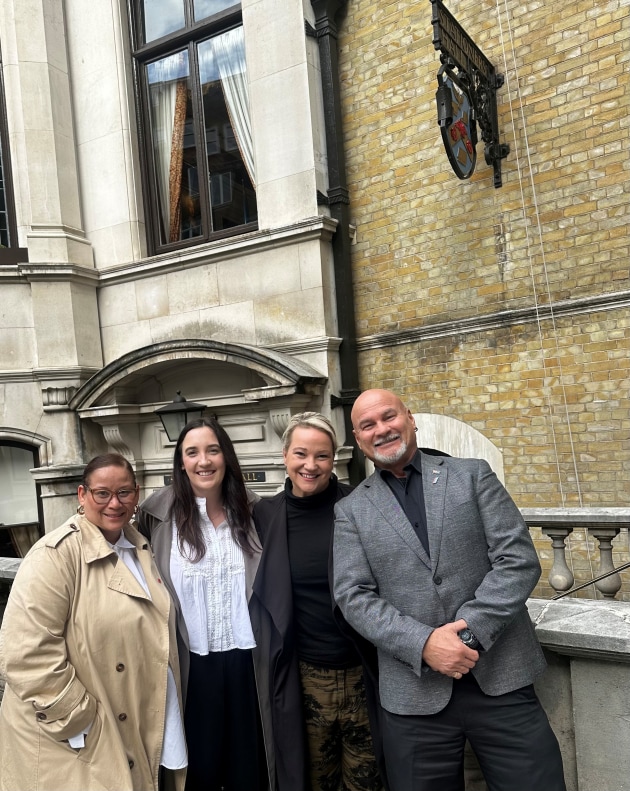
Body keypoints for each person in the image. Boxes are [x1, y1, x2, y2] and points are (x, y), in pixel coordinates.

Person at [333, 389, 567, 791]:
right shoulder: (351, 510)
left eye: (389, 417)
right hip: (413, 694)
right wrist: (424, 644)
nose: (382, 430)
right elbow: (353, 596)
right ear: (358, 440)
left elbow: (518, 560)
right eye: (367, 425)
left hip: (500, 679)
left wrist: (466, 635)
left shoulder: (472, 475)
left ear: (410, 418)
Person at [0, 453, 187, 791]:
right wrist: (80, 720)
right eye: (103, 493)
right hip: (78, 736)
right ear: (82, 495)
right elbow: (25, 654)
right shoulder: (54, 556)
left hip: (134, 715)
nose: (114, 503)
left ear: (137, 493)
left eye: (124, 492)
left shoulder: (140, 547)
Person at [250, 412, 385, 791]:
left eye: (322, 456)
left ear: (335, 459)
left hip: (363, 672)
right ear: (285, 456)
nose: (310, 465)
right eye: (301, 454)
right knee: (311, 782)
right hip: (304, 678)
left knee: (369, 782)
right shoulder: (264, 515)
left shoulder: (361, 503)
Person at [137, 417, 270, 791]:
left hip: (248, 662)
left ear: (226, 456)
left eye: (212, 450)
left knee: (250, 771)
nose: (203, 461)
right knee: (198, 771)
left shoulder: (257, 511)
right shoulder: (155, 516)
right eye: (192, 452)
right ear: (181, 462)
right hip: (190, 666)